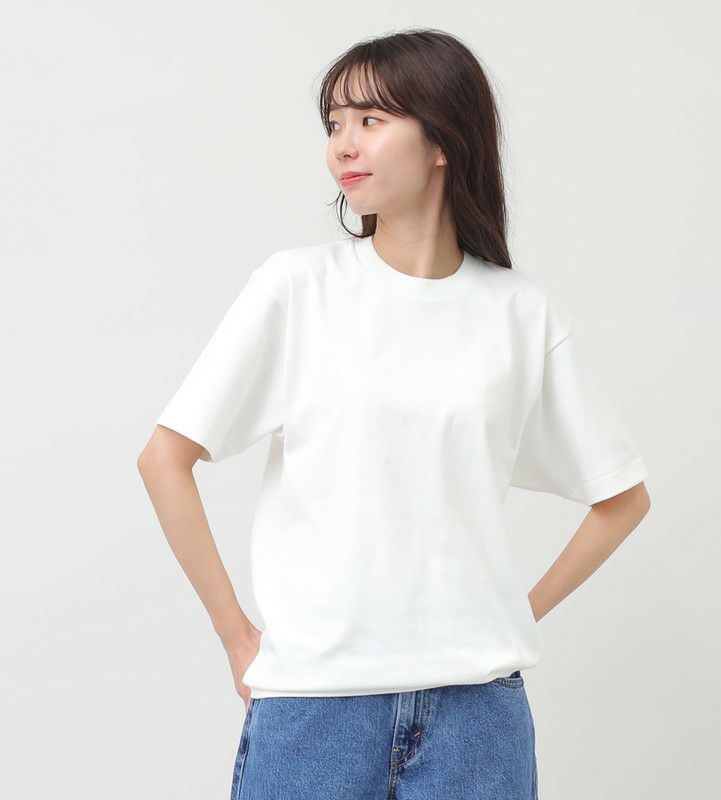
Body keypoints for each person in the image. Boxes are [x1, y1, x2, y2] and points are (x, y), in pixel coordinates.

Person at [138, 28, 651, 800]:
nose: (344, 143)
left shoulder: (519, 313)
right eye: (334, 123)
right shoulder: (298, 289)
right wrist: (236, 636)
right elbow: (164, 459)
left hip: (477, 716)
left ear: (443, 139)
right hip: (316, 708)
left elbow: (622, 496)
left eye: (371, 120)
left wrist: (514, 616)